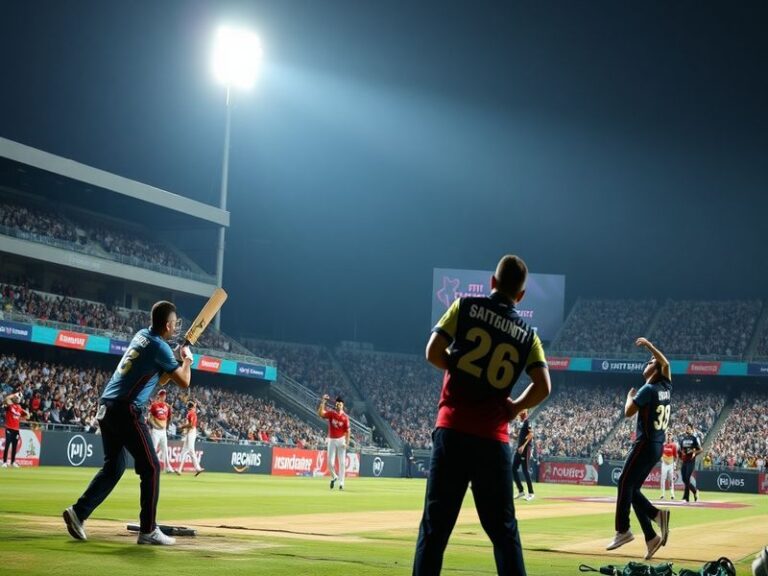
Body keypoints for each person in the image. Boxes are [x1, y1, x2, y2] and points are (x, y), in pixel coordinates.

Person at [412, 254, 552, 576]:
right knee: (504, 534)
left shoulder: (464, 306)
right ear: (521, 296)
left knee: (435, 531)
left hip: (453, 432)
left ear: (492, 282)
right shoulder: (528, 335)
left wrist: (459, 368)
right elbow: (543, 386)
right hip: (492, 440)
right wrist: (514, 406)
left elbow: (432, 351)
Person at [63, 300, 193, 546]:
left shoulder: (142, 335)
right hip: (127, 408)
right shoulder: (160, 347)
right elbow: (183, 382)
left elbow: (161, 378)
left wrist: (174, 356)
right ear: (167, 325)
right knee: (152, 468)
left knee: (114, 467)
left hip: (107, 404)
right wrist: (187, 360)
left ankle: (78, 513)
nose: (176, 327)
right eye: (175, 324)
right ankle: (148, 530)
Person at [606, 337, 672, 561]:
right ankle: (652, 534)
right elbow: (667, 365)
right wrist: (652, 352)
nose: (647, 362)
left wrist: (629, 397)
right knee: (632, 491)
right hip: (657, 446)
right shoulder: (666, 386)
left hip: (644, 444)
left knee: (624, 482)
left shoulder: (648, 389)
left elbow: (627, 413)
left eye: (650, 361)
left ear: (655, 368)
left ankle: (622, 530)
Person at [317, 394, 350, 490]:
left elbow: (348, 431)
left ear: (342, 405)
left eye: (340, 404)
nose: (338, 406)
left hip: (341, 440)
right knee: (330, 463)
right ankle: (335, 477)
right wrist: (323, 402)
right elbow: (320, 414)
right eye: (337, 404)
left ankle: (341, 483)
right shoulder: (331, 414)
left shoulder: (345, 418)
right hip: (331, 440)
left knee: (342, 462)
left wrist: (347, 443)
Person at [148, 389, 173, 473]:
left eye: (164, 395)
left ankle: (167, 467)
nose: (164, 396)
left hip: (163, 431)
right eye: (162, 395)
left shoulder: (167, 406)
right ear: (159, 395)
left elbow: (169, 418)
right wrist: (154, 425)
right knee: (154, 448)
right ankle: (151, 466)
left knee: (165, 449)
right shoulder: (154, 405)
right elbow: (150, 418)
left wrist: (167, 427)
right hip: (156, 431)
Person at [176, 400, 204, 476]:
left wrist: (182, 427)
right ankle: (180, 469)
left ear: (189, 407)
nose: (187, 408)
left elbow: (191, 425)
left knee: (188, 451)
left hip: (191, 432)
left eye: (188, 407)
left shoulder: (191, 413)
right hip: (191, 432)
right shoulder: (193, 413)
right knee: (186, 451)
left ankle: (181, 469)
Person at [512, 410, 535, 501]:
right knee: (513, 468)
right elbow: (521, 437)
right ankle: (521, 491)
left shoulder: (528, 421)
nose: (519, 415)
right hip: (519, 449)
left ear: (524, 413)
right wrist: (513, 436)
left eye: (520, 413)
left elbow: (531, 434)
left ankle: (531, 493)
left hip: (525, 449)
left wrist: (523, 446)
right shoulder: (523, 423)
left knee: (525, 470)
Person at [3, 391, 30, 468]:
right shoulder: (10, 405)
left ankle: (12, 462)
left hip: (16, 429)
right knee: (7, 445)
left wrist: (26, 412)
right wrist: (15, 394)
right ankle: (5, 462)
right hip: (9, 428)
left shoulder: (19, 408)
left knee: (15, 446)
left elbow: (27, 417)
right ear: (14, 398)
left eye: (19, 398)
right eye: (17, 398)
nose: (18, 399)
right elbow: (6, 398)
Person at [679, 422, 702, 503]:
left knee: (687, 478)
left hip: (691, 461)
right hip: (684, 461)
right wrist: (681, 456)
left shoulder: (694, 438)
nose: (687, 429)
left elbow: (700, 449)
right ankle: (695, 491)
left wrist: (693, 452)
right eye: (686, 428)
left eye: (688, 428)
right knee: (684, 479)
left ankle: (686, 497)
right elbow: (681, 450)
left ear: (692, 429)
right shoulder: (683, 439)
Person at [660, 431, 678, 500]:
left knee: (671, 479)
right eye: (668, 436)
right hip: (664, 463)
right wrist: (662, 459)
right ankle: (662, 494)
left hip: (671, 464)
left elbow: (675, 456)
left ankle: (672, 494)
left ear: (672, 437)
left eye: (670, 436)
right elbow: (660, 453)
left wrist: (675, 464)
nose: (668, 437)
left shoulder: (673, 445)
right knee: (663, 479)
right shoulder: (663, 445)